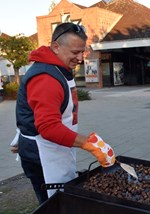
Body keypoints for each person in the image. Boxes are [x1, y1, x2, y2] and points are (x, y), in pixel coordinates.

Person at [13, 22, 116, 204]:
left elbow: (34, 110)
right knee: (52, 208)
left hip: (56, 147)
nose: (80, 58)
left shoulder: (59, 68)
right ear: (55, 47)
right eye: (75, 52)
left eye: (82, 52)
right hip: (43, 153)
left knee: (63, 198)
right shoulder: (46, 78)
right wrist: (89, 144)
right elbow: (48, 126)